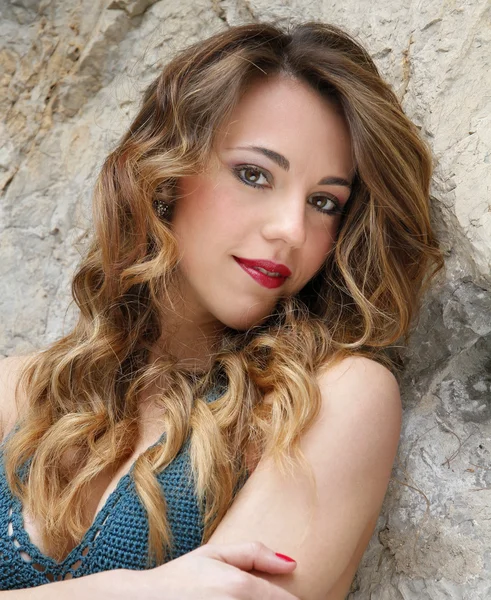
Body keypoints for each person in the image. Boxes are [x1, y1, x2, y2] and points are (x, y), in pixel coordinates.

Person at [0, 21, 443, 599]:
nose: (290, 229)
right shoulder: (18, 388)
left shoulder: (333, 399)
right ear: (165, 174)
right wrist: (137, 592)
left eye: (324, 202)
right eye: (254, 174)